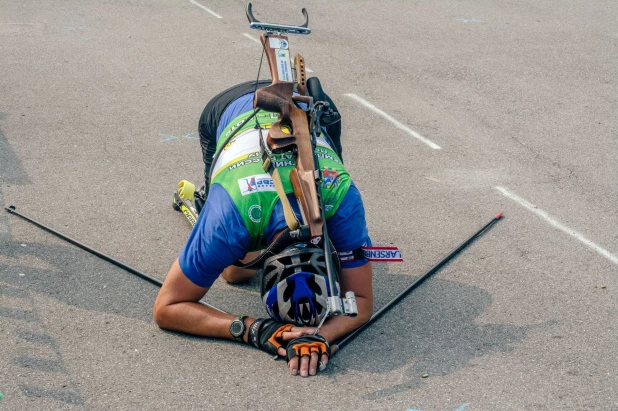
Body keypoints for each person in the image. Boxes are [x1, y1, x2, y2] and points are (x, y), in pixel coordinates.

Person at [154, 78, 373, 378]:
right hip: (229, 110)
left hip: (302, 109)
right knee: (235, 273)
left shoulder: (343, 201)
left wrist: (318, 335)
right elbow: (166, 307)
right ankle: (207, 200)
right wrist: (254, 329)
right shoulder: (228, 219)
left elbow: (360, 302)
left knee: (236, 269)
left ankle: (224, 250)